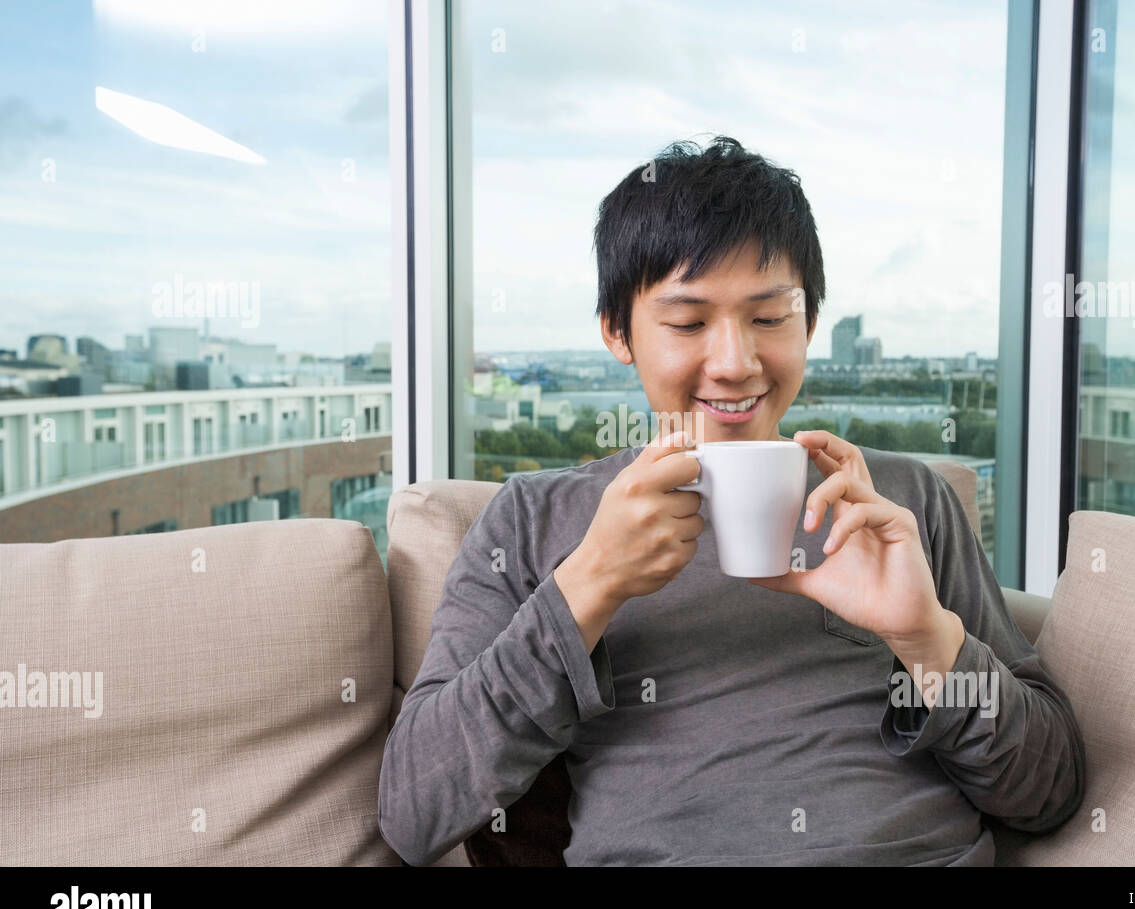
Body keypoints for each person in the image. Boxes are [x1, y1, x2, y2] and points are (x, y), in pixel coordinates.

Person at [378, 135, 1085, 866]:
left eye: (770, 318)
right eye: (687, 324)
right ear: (618, 332)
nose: (736, 363)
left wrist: (927, 640)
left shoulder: (899, 504)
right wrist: (589, 585)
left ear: (811, 321)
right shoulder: (534, 519)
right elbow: (414, 812)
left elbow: (1049, 792)